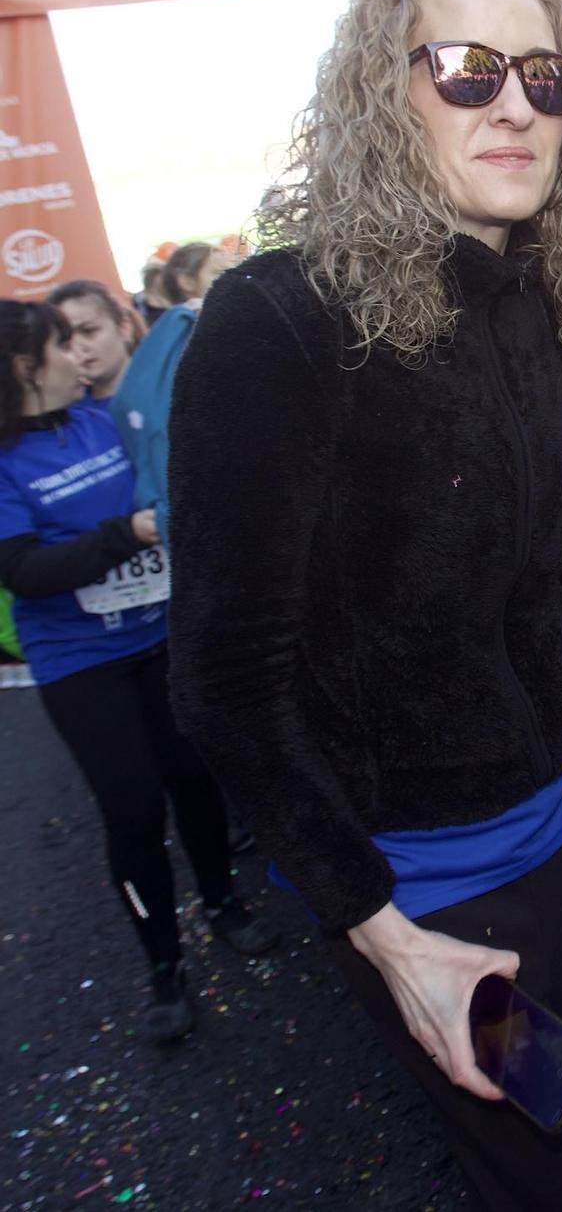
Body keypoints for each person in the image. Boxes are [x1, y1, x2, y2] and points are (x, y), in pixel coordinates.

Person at [166, 0, 562, 1209]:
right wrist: (381, 935)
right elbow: (227, 684)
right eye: (465, 67)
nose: (514, 102)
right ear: (385, 95)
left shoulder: (553, 302)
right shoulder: (277, 323)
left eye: (547, 77)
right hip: (429, 903)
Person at [0, 300, 276, 1044]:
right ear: (25, 368)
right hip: (82, 662)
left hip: (161, 634)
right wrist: (126, 532)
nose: (76, 356)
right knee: (132, 810)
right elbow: (23, 569)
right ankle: (164, 966)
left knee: (194, 776)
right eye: (62, 345)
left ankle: (222, 902)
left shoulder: (108, 419)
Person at [108, 241, 237, 545]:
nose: (232, 279)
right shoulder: (185, 330)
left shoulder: (175, 333)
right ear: (186, 281)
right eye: (219, 273)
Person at [49, 280, 144, 401]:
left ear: (124, 327)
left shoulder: (169, 388)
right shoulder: (68, 415)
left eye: (88, 331)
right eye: (66, 341)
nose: (78, 347)